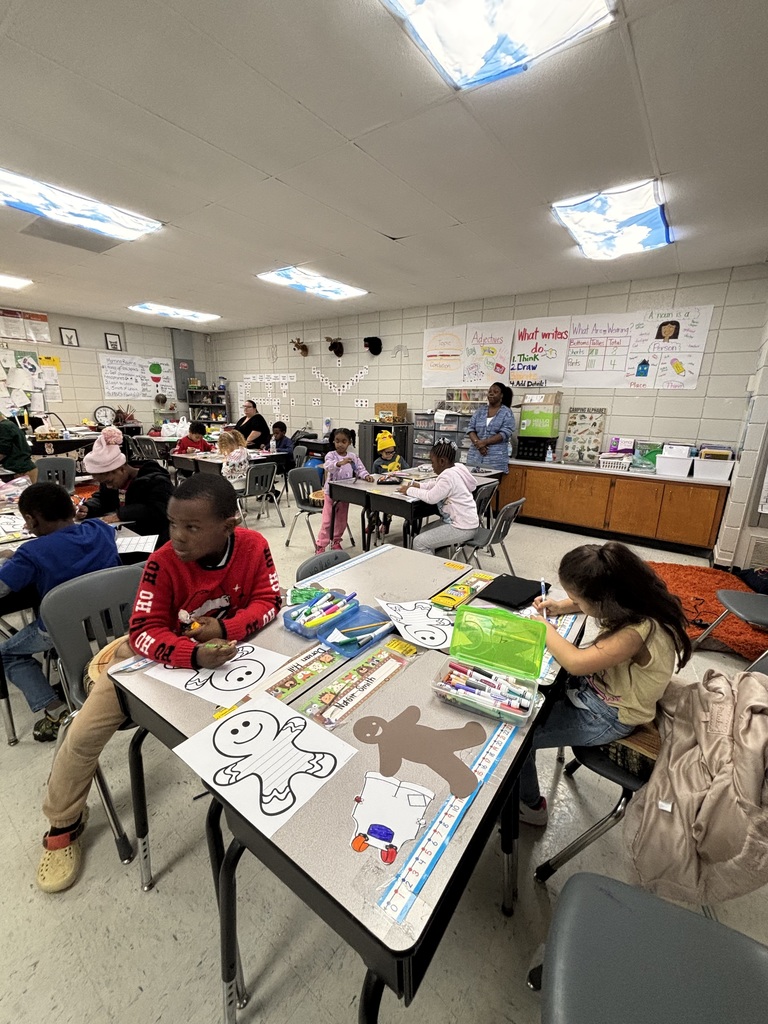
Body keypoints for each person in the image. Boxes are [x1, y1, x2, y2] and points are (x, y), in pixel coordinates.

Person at [36, 473, 282, 893]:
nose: (178, 537)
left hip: (222, 650)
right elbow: (143, 633)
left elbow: (270, 601)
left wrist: (225, 628)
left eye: (192, 527)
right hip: (149, 656)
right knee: (83, 733)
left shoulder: (253, 546)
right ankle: (63, 822)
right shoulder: (162, 562)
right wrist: (194, 653)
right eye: (172, 524)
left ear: (229, 525)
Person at [519, 541, 692, 827]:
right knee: (531, 690)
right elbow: (588, 603)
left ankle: (531, 806)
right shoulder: (635, 596)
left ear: (603, 602)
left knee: (520, 740)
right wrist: (561, 606)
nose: (576, 602)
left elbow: (575, 661)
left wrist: (543, 629)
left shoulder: (635, 634)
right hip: (597, 692)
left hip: (609, 716)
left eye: (578, 598)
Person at [0, 482, 120, 740]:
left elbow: (2, 587)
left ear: (31, 520)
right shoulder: (99, 528)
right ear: (71, 509)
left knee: (7, 654)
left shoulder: (31, 553)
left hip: (63, 628)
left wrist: (9, 558)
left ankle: (55, 710)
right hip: (113, 621)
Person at [78, 426, 173, 546]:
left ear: (121, 469)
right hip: (124, 536)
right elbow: (103, 498)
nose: (108, 486)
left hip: (152, 540)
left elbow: (161, 509)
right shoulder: (112, 484)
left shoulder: (155, 481)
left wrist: (122, 514)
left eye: (109, 481)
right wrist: (89, 508)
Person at [398, 438, 478, 554]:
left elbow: (431, 497)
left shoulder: (448, 476)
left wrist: (409, 490)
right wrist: (418, 485)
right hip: (465, 522)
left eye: (432, 462)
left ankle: (433, 570)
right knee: (424, 531)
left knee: (419, 542)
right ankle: (437, 559)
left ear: (442, 461)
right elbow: (435, 485)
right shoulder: (455, 470)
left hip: (462, 527)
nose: (432, 466)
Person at [315, 427, 373, 554]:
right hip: (331, 493)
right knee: (327, 520)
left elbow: (360, 469)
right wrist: (339, 463)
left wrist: (366, 475)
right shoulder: (331, 455)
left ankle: (336, 541)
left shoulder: (353, 456)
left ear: (349, 442)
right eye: (337, 441)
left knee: (341, 520)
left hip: (345, 494)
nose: (340, 444)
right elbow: (328, 466)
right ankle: (321, 544)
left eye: (343, 441)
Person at [465, 381, 515, 474]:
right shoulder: (480, 411)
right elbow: (470, 429)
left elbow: (504, 433)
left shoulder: (507, 413)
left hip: (495, 460)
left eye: (495, 392)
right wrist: (478, 444)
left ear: (501, 396)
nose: (491, 393)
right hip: (475, 457)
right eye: (490, 391)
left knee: (491, 487)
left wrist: (484, 442)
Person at [371, 429, 410, 538]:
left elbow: (407, 471)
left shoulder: (399, 459)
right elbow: (374, 478)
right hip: (381, 490)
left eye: (392, 451)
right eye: (387, 452)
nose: (391, 454)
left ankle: (385, 524)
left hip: (396, 490)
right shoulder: (377, 463)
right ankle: (375, 523)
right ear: (381, 452)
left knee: (389, 509)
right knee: (370, 505)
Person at [0, 412, 37, 482]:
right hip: (26, 468)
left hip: (21, 471)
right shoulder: (9, 424)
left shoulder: (3, 427)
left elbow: (2, 452)